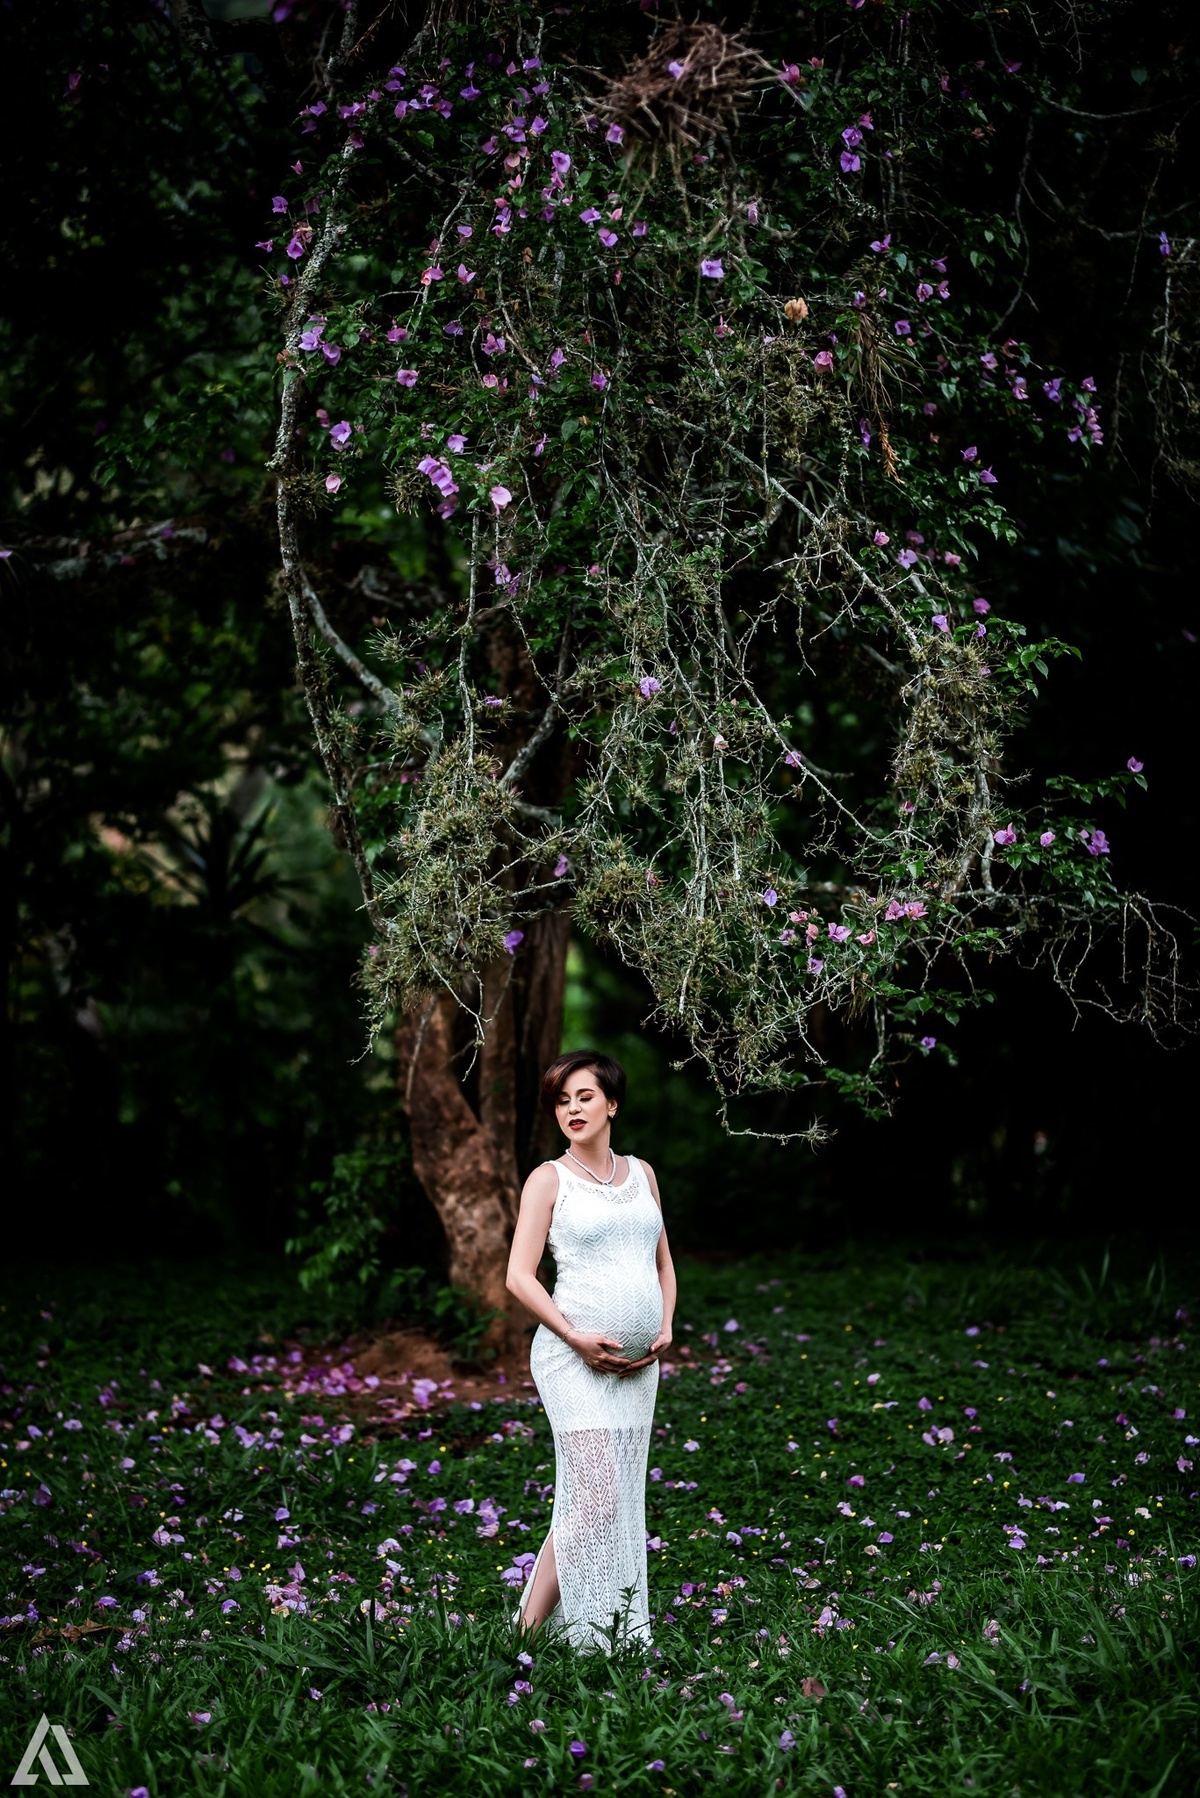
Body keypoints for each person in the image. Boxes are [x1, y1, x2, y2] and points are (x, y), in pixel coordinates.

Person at [505, 1050, 676, 1651]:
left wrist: (665, 1324)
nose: (572, 1109)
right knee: (596, 1493)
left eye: (584, 1096)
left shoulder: (643, 1173)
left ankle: (535, 1630)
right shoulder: (549, 1179)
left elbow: (662, 1262)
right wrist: (574, 1336)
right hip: (570, 1360)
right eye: (561, 1100)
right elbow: (518, 1276)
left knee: (605, 1495)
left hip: (638, 1368)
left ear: (612, 1105)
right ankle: (528, 1633)